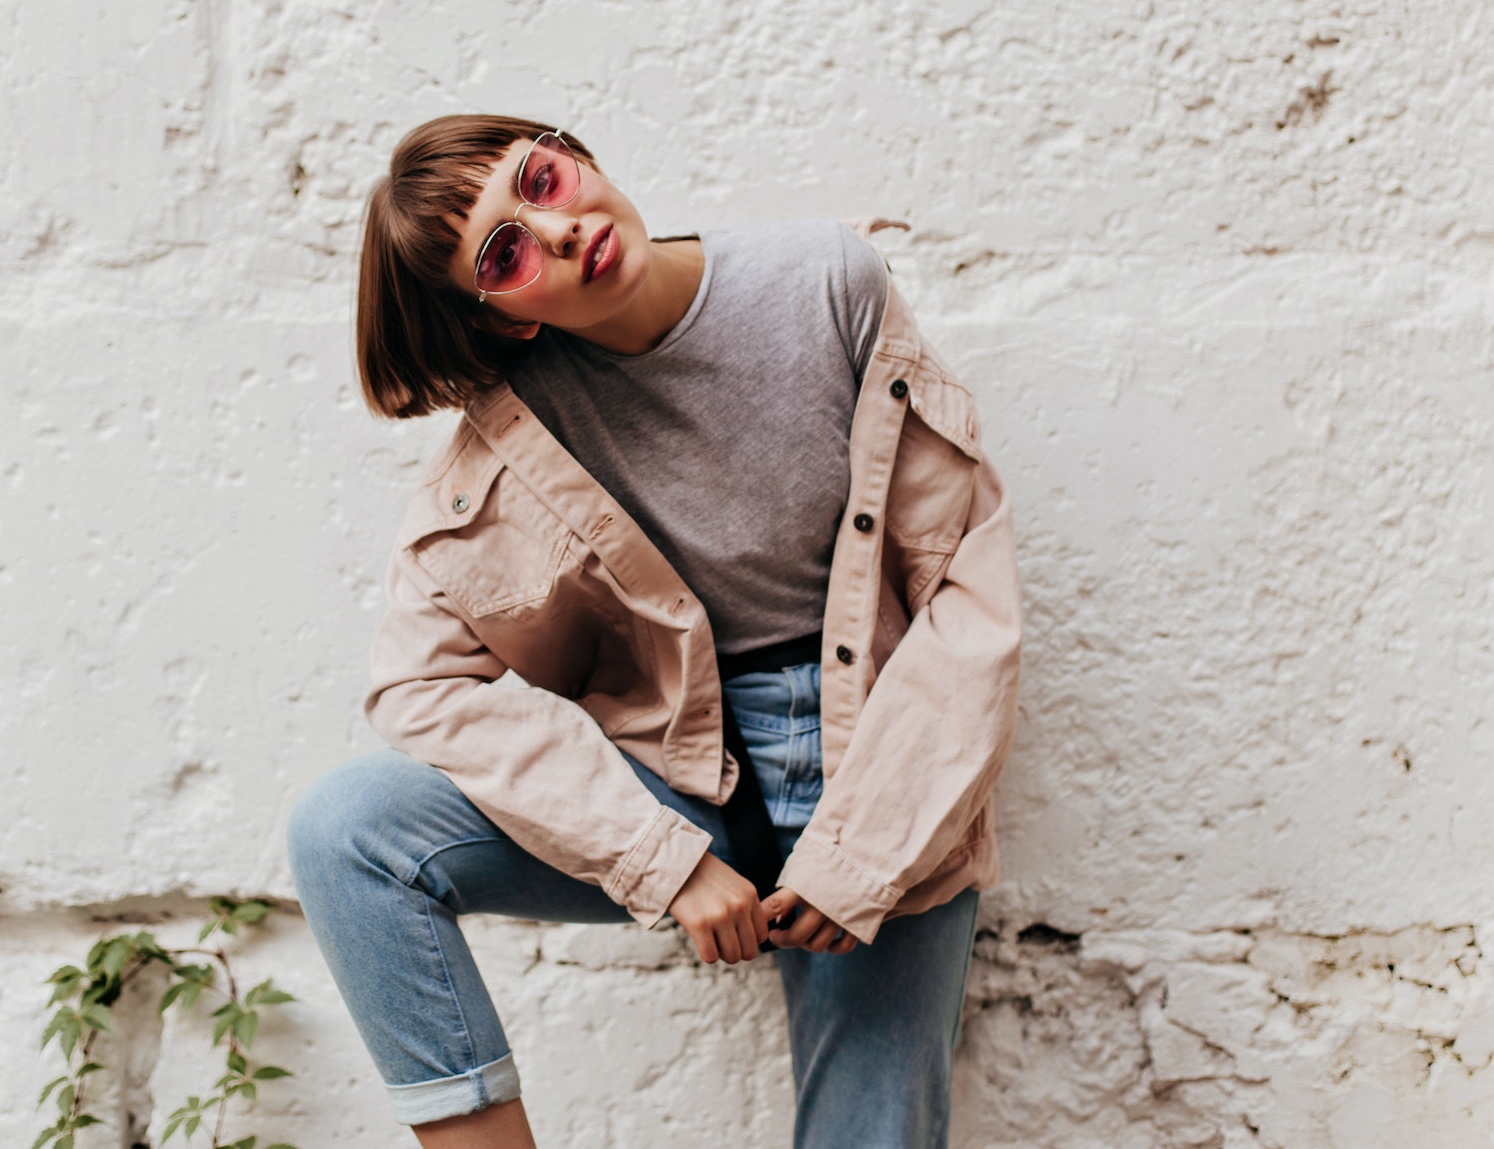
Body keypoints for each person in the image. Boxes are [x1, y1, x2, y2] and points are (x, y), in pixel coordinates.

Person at [286, 114, 1023, 1149]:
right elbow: (418, 683)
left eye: (539, 180)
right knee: (346, 831)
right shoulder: (517, 426)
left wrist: (862, 856)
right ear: (502, 319)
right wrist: (658, 858)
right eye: (504, 253)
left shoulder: (822, 281)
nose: (554, 229)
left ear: (571, 152)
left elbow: (963, 592)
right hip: (685, 782)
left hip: (876, 756)